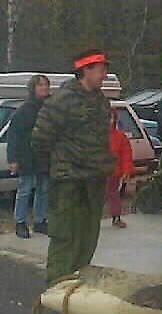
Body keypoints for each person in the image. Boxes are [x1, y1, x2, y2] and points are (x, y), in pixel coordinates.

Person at [32, 49, 114, 286]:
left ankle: (75, 293)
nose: (104, 75)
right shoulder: (61, 101)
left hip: (93, 181)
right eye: (101, 69)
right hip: (68, 183)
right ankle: (56, 293)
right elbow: (40, 140)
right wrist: (60, 165)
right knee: (65, 240)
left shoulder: (101, 101)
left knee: (87, 240)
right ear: (85, 70)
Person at [7, 74, 50, 239]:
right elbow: (13, 135)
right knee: (25, 189)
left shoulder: (50, 108)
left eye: (45, 85)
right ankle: (20, 222)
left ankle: (40, 221)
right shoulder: (24, 110)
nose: (44, 88)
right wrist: (12, 159)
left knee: (43, 189)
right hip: (27, 157)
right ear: (33, 88)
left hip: (45, 156)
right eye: (40, 85)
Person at [106, 109, 134, 229]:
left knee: (114, 195)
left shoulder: (120, 137)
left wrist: (126, 171)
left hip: (114, 173)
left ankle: (116, 217)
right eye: (107, 118)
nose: (109, 121)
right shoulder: (95, 136)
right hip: (97, 174)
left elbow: (126, 155)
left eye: (111, 118)